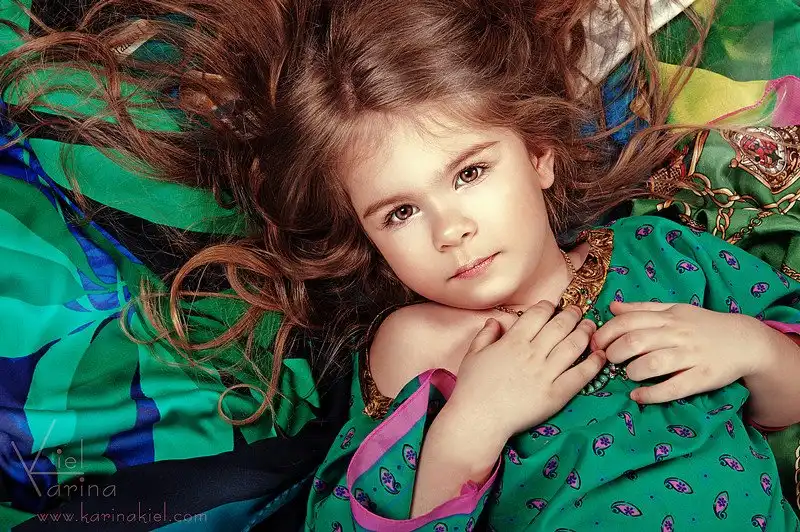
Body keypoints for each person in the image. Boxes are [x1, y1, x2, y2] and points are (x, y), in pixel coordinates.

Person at [211, 0, 800, 529]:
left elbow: (789, 404)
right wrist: (472, 426)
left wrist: (753, 349)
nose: (450, 231)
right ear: (367, 236)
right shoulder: (420, 343)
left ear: (539, 155)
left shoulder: (661, 253)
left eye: (469, 173)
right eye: (400, 212)